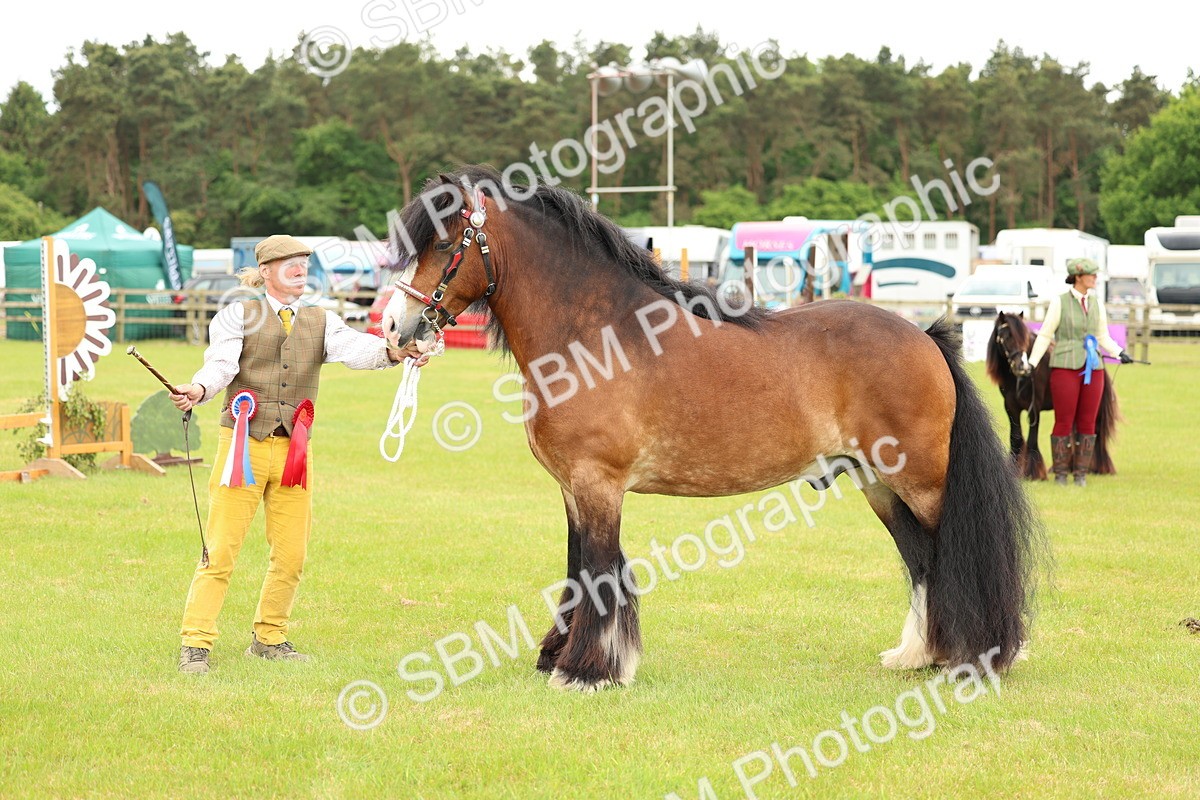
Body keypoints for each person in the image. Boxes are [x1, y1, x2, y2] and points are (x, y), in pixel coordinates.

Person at [169, 234, 428, 674]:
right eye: (288, 262)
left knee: (291, 555)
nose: (299, 269)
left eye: (304, 262)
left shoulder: (322, 321)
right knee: (221, 550)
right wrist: (199, 389)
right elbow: (221, 365)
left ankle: (269, 638)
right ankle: (196, 643)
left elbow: (357, 350)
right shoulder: (238, 314)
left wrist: (393, 351)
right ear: (265, 271)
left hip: (295, 452)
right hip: (242, 449)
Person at [1025, 257, 1133, 487]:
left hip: (1094, 368)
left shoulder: (1096, 303)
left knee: (1088, 421)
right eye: (1091, 275)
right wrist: (1033, 363)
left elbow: (1102, 336)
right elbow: (1045, 335)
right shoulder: (1060, 302)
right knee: (1063, 420)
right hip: (1064, 367)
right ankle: (1062, 474)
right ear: (1078, 277)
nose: (1095, 278)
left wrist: (1119, 352)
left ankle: (1081, 474)